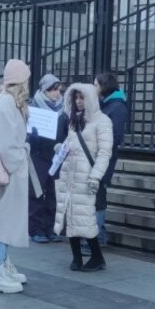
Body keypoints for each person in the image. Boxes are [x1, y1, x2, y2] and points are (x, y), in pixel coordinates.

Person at [0, 59, 33, 294]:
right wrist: (19, 160)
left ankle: (2, 265)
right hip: (9, 172)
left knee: (5, 220)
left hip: (9, 170)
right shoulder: (6, 103)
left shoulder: (9, 101)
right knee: (3, 221)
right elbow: (4, 143)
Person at [55, 83, 113, 271]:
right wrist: (60, 149)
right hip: (69, 174)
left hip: (87, 176)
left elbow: (105, 152)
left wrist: (95, 176)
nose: (79, 102)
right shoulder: (74, 120)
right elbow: (69, 143)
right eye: (76, 98)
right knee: (70, 214)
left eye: (82, 98)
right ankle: (76, 257)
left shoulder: (102, 121)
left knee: (85, 217)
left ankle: (96, 256)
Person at [93, 71, 128, 245]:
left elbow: (116, 135)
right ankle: (99, 233)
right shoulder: (105, 104)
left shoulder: (117, 107)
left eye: (96, 85)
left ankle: (98, 235)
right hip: (98, 156)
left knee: (99, 195)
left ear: (104, 87)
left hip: (105, 157)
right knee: (97, 194)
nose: (94, 88)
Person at [28, 73, 64, 243]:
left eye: (58, 89)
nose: (57, 93)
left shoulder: (63, 108)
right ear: (45, 90)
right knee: (36, 192)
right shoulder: (33, 106)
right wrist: (33, 137)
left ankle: (50, 228)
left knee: (52, 194)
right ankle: (36, 229)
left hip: (55, 156)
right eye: (53, 89)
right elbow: (26, 132)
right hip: (38, 155)